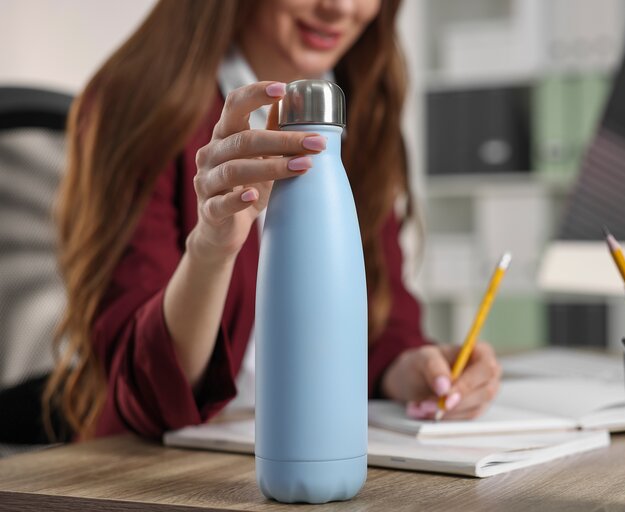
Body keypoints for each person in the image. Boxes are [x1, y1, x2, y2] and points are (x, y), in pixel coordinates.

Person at [44, 0, 501, 440]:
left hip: (318, 444)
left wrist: (410, 370)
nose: (341, 7)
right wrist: (211, 249)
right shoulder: (145, 105)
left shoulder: (355, 106)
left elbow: (382, 313)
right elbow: (143, 382)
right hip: (163, 467)